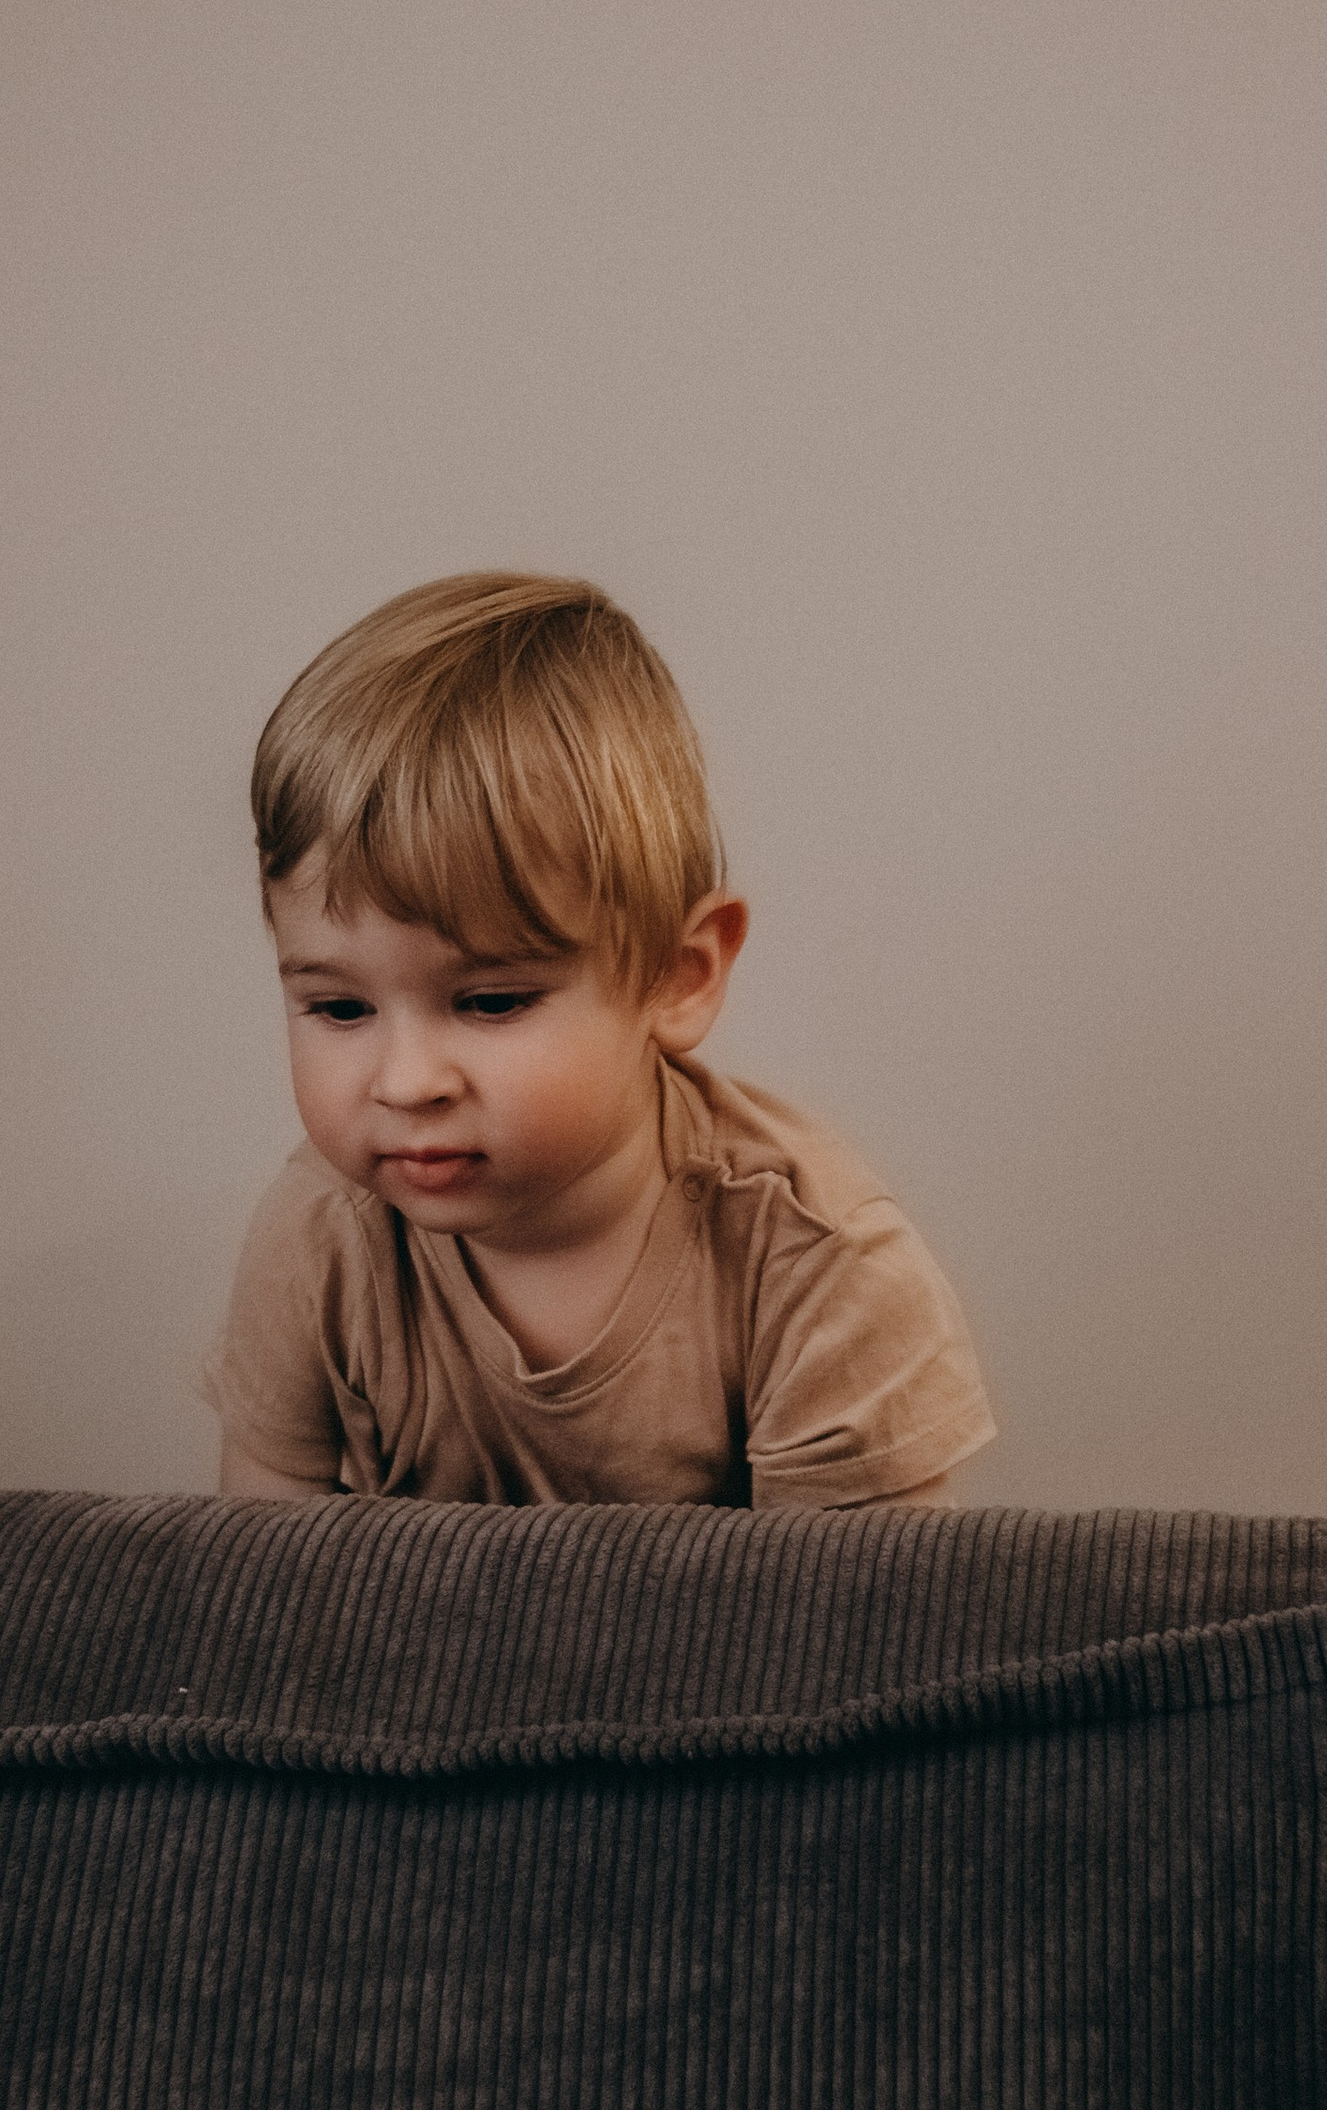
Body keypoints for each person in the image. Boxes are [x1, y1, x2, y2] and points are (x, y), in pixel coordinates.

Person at [206, 572, 995, 1507]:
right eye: (340, 1010)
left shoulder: (822, 1272)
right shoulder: (322, 1237)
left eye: (492, 1001)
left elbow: (846, 1637)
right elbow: (257, 1591)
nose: (407, 1081)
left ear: (678, 976)